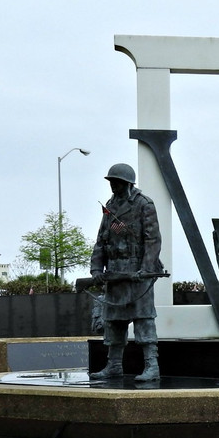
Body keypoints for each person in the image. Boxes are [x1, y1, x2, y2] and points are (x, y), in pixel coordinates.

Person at [88, 163, 164, 382]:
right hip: (115, 272)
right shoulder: (110, 206)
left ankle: (152, 366)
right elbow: (101, 240)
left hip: (137, 273)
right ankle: (113, 366)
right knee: (113, 322)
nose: (113, 186)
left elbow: (152, 239)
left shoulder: (143, 204)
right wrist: (96, 268)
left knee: (144, 320)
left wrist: (146, 268)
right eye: (111, 182)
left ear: (128, 183)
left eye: (117, 182)